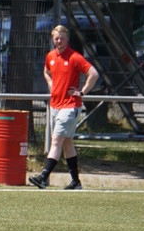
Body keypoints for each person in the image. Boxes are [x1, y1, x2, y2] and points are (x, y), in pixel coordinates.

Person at [29, 24, 100, 190]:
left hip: (70, 106)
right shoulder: (50, 56)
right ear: (53, 39)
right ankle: (76, 182)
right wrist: (51, 83)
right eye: (56, 38)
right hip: (55, 105)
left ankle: (43, 177)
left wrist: (81, 92)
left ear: (67, 39)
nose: (59, 41)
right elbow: (46, 71)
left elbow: (94, 74)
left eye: (62, 38)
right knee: (67, 143)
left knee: (56, 140)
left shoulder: (75, 57)